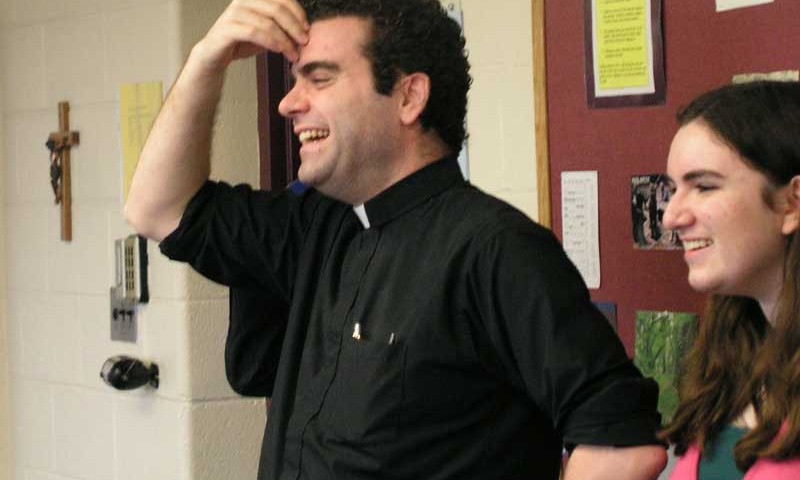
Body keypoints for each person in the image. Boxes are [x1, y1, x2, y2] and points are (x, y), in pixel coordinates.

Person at [125, 0, 667, 478]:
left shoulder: (495, 249)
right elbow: (155, 208)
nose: (288, 103)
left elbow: (622, 447)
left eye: (319, 78)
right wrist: (207, 59)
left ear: (409, 97)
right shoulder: (313, 226)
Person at [660, 81, 800, 479]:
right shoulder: (729, 364)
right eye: (674, 189)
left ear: (792, 203)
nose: (671, 217)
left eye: (704, 186)